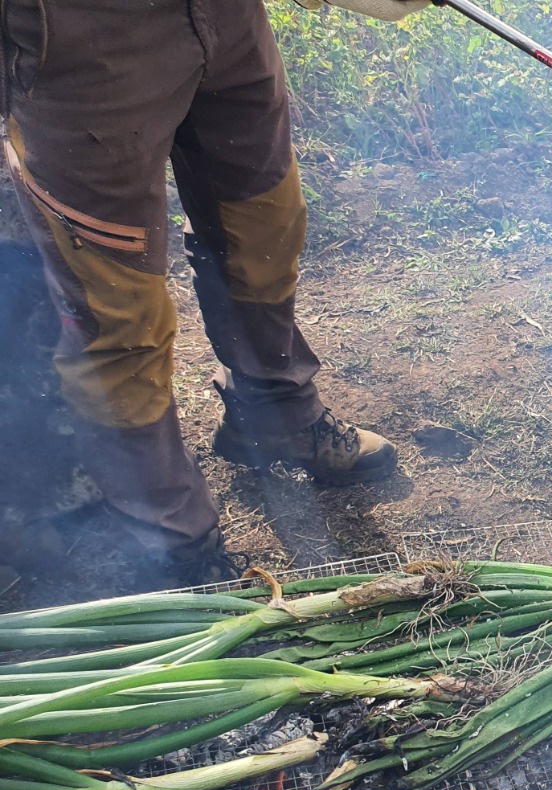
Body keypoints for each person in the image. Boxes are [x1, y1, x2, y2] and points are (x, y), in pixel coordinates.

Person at [1, 0, 429, 585]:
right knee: (116, 312)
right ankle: (169, 539)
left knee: (264, 228)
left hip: (226, 16)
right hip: (80, 35)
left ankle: (275, 411)